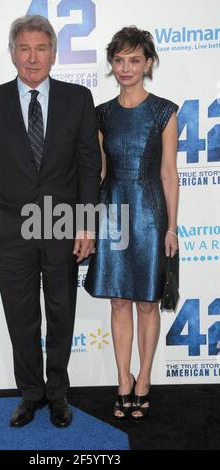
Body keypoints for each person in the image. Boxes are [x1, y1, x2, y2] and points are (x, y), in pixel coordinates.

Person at [0, 14, 101, 428]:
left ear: (54, 53)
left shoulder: (78, 99)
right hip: (11, 229)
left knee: (62, 312)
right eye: (24, 49)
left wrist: (87, 223)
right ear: (12, 54)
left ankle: (58, 394)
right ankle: (30, 393)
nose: (32, 58)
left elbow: (88, 165)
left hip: (63, 224)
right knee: (21, 316)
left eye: (41, 48)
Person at [85, 26, 179, 421]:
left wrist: (172, 227)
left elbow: (169, 173)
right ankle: (123, 381)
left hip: (150, 213)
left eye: (134, 60)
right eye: (119, 60)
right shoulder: (102, 113)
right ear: (111, 64)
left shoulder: (164, 110)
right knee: (119, 301)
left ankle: (145, 381)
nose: (125, 68)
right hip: (112, 212)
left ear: (148, 63)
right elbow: (99, 172)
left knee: (146, 303)